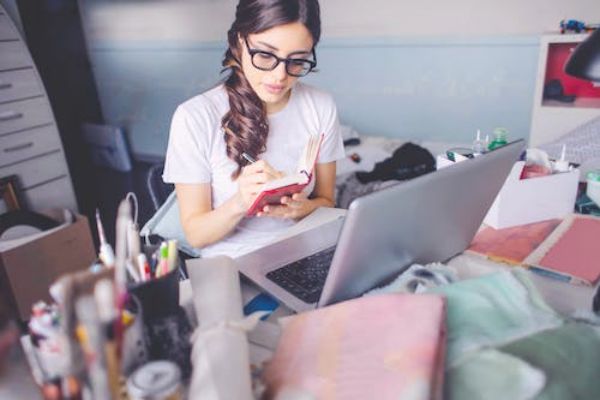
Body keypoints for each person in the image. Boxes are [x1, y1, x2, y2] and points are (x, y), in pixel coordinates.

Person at [163, 0, 344, 258]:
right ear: (240, 40)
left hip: (304, 255)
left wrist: (301, 209)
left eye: (297, 60)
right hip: (234, 264)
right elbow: (196, 235)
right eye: (266, 55)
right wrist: (240, 202)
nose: (280, 75)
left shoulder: (321, 106)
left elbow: (327, 201)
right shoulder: (195, 117)